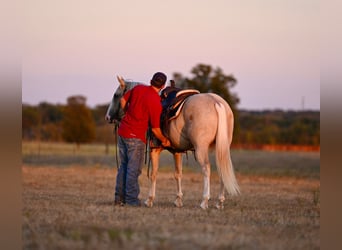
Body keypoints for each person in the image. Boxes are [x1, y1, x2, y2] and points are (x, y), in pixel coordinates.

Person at [114, 72, 171, 206]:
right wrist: (164, 140)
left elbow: (122, 101)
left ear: (151, 81)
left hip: (122, 132)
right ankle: (131, 200)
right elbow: (156, 129)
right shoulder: (155, 102)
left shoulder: (138, 89)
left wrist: (128, 112)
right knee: (133, 169)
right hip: (136, 137)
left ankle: (119, 199)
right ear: (163, 86)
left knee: (124, 166)